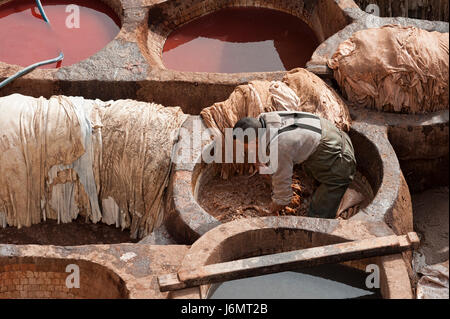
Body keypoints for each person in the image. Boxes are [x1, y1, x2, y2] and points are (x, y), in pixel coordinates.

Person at [232, 111, 356, 219]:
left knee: (317, 215)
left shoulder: (279, 146)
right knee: (301, 168)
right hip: (327, 133)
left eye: (246, 146)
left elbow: (283, 198)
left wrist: (273, 208)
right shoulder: (264, 119)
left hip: (340, 158)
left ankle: (338, 193)